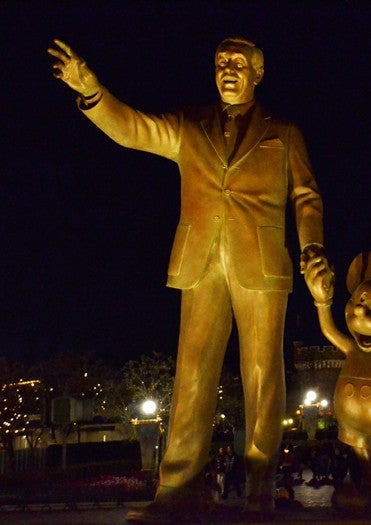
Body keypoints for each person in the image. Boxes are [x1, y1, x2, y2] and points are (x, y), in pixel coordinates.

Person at [48, 36, 324, 522]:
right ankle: (178, 486)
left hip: (260, 263)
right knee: (192, 373)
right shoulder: (188, 126)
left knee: (261, 374)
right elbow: (134, 128)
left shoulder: (284, 132)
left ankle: (260, 485)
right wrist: (94, 92)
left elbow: (305, 196)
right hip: (201, 261)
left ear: (258, 73)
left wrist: (312, 250)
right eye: (221, 63)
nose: (228, 70)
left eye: (239, 63)